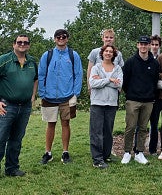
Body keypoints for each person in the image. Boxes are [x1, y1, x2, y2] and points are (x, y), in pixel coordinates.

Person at [39, 29, 83, 164]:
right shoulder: (47, 55)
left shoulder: (73, 55)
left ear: (67, 38)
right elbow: (41, 75)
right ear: (54, 39)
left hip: (67, 96)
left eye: (64, 36)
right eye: (58, 37)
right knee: (50, 124)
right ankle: (48, 153)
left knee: (66, 124)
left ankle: (65, 152)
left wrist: (75, 93)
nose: (61, 38)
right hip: (49, 96)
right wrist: (42, 92)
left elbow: (78, 74)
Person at [0, 34, 37, 177]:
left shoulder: (32, 62)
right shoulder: (4, 60)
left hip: (25, 107)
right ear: (13, 44)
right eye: (19, 42)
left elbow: (35, 79)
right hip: (7, 106)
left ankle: (12, 168)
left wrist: (33, 96)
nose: (22, 44)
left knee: (16, 139)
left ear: (29, 45)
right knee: (1, 138)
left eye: (25, 42)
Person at [121, 36, 159, 165]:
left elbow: (154, 81)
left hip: (148, 101)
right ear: (137, 45)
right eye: (141, 44)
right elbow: (124, 82)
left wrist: (150, 95)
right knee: (130, 127)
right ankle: (127, 152)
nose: (143, 46)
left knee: (143, 128)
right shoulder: (131, 61)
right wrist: (131, 94)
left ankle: (139, 152)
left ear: (149, 46)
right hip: (133, 100)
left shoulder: (154, 63)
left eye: (146, 44)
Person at [89, 44, 123, 168]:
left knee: (108, 131)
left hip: (112, 103)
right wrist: (110, 80)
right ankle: (97, 159)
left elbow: (119, 85)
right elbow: (92, 83)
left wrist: (102, 80)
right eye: (106, 51)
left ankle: (106, 155)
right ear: (102, 53)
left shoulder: (118, 68)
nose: (108, 53)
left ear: (114, 55)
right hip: (97, 103)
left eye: (111, 52)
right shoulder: (96, 67)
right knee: (96, 131)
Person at [148, 34, 162, 155]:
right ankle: (138, 149)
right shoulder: (144, 57)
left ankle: (152, 149)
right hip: (145, 95)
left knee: (154, 124)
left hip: (159, 95)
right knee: (140, 125)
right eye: (152, 44)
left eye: (156, 45)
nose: (154, 46)